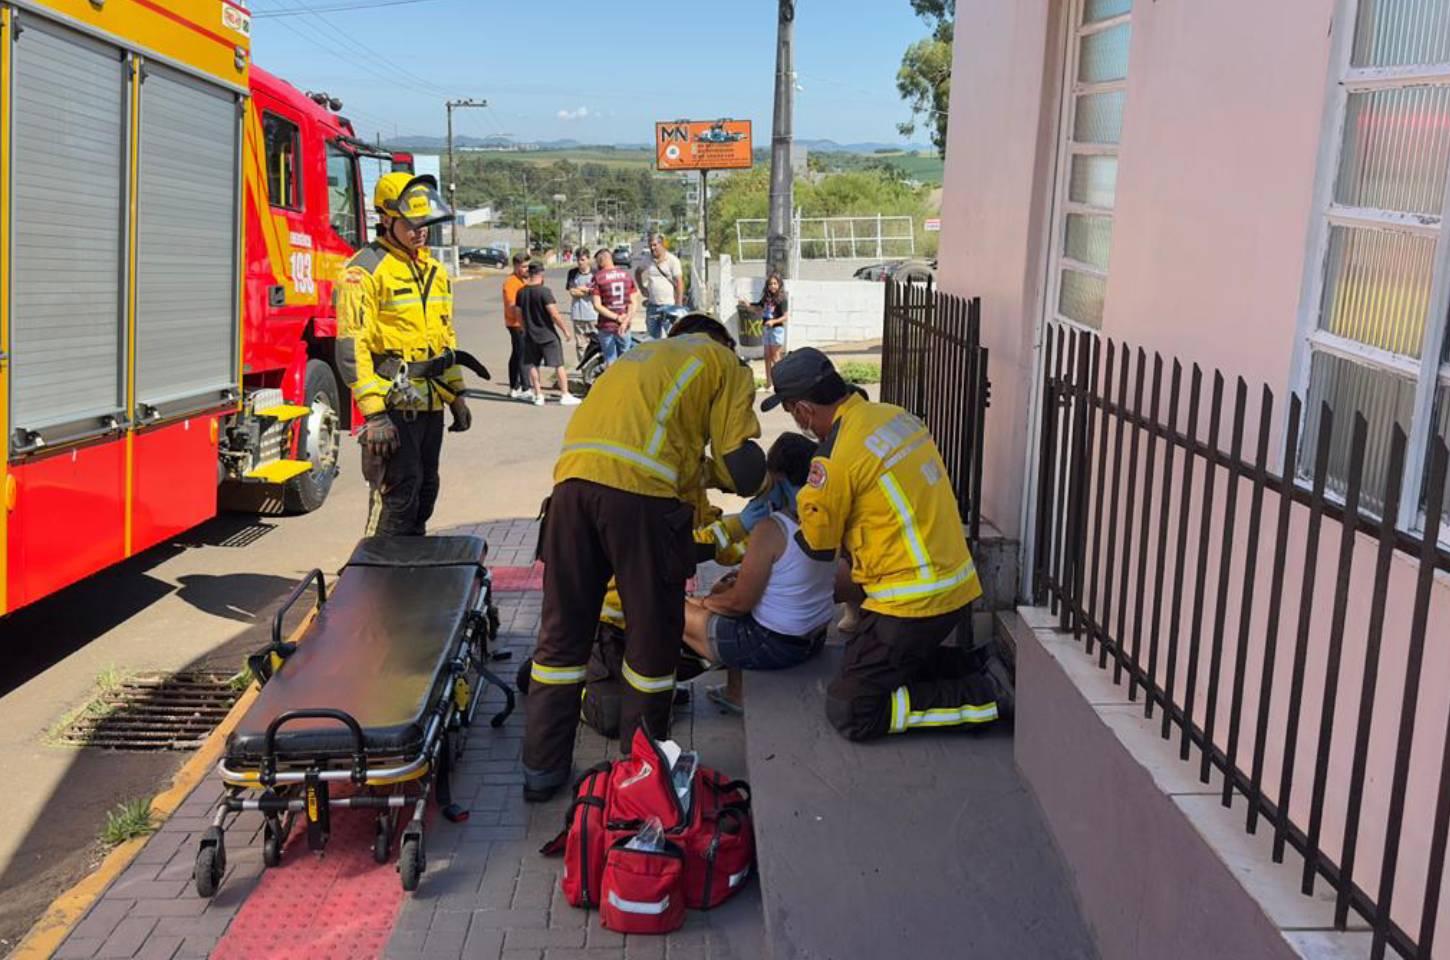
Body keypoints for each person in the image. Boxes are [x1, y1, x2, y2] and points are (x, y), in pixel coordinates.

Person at [523, 314, 766, 801]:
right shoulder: (723, 362)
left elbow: (655, 449)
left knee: (560, 639)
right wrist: (768, 490)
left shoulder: (634, 358)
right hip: (638, 505)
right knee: (653, 644)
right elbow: (740, 467)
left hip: (569, 494)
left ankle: (541, 771)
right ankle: (642, 777)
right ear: (720, 341)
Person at [762, 347, 1008, 741]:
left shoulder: (832, 461)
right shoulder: (893, 416)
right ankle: (979, 663)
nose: (796, 420)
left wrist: (793, 516)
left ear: (804, 410)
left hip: (913, 599)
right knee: (863, 660)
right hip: (953, 581)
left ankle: (986, 696)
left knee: (851, 710)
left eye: (791, 411)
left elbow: (820, 550)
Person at [337, 172, 470, 535]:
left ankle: (410, 572)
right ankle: (376, 581)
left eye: (425, 223)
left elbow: (445, 338)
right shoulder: (364, 270)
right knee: (397, 495)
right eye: (412, 223)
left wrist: (456, 395)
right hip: (392, 405)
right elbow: (352, 346)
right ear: (385, 218)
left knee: (426, 490)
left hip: (430, 403)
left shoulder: (434, 271)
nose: (421, 231)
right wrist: (375, 415)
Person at [683, 433, 836, 712]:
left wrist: (700, 603)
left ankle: (669, 691)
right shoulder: (830, 516)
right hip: (814, 639)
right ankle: (734, 690)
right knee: (724, 591)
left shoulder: (772, 528)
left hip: (774, 646)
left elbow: (739, 603)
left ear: (776, 478)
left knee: (669, 609)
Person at [516, 263, 579, 407]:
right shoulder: (544, 292)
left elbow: (518, 314)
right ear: (540, 274)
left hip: (530, 335)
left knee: (532, 364)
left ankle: (538, 395)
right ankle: (565, 394)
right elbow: (554, 314)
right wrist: (565, 330)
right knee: (558, 364)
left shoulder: (521, 292)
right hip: (548, 335)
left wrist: (524, 328)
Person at [738, 272, 789, 387]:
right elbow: (758, 307)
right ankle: (768, 383)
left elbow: (785, 317)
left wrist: (773, 321)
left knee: (775, 357)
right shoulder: (766, 298)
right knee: (767, 356)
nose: (772, 286)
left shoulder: (782, 299)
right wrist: (748, 304)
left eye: (775, 283)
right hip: (766, 329)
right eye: (770, 284)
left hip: (776, 330)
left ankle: (781, 383)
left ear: (779, 284)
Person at [590, 249, 638, 367]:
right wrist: (625, 320)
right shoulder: (626, 276)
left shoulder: (598, 278)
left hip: (607, 326)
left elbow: (597, 305)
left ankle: (613, 384)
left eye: (597, 262)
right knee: (626, 361)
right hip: (624, 326)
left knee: (610, 361)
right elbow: (633, 302)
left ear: (601, 261)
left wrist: (616, 318)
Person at [636, 232, 684, 339]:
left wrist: (678, 306)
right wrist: (641, 287)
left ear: (662, 245)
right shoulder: (647, 259)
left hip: (669, 306)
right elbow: (638, 272)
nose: (652, 248)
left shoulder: (672, 261)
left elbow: (679, 283)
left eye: (654, 245)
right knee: (653, 339)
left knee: (673, 337)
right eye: (650, 245)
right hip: (652, 306)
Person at [502, 251, 531, 399]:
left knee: (518, 354)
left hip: (523, 323)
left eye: (528, 266)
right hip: (515, 323)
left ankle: (517, 386)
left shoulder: (524, 280)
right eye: (524, 266)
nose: (527, 269)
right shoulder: (511, 283)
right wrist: (523, 322)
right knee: (521, 355)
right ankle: (521, 387)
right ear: (516, 266)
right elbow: (512, 307)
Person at [565, 247, 598, 363]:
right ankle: (584, 369)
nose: (580, 262)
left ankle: (594, 368)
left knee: (595, 344)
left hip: (593, 314)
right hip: (578, 315)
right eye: (578, 259)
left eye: (583, 259)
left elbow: (595, 291)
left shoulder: (596, 273)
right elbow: (572, 291)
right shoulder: (573, 273)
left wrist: (584, 290)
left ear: (588, 259)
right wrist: (586, 290)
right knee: (580, 345)